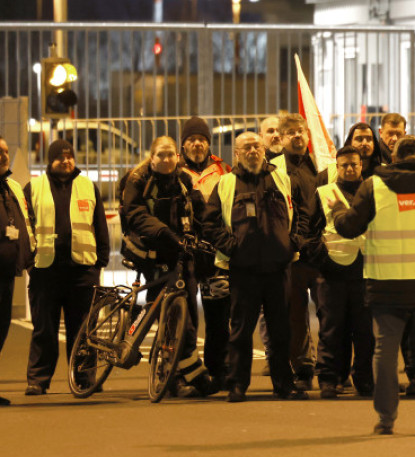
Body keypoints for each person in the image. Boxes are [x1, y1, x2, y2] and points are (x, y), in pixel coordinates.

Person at [335, 135, 415, 435]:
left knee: (385, 352)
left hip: (387, 285)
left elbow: (350, 227)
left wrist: (335, 211)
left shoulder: (373, 186)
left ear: (393, 157)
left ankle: (386, 420)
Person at [203, 132, 308, 402]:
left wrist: (293, 242)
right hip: (243, 269)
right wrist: (231, 247)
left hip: (278, 267)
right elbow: (210, 222)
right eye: (246, 147)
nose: (253, 151)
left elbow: (302, 213)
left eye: (256, 146)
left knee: (280, 331)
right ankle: (238, 385)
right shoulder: (225, 184)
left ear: (263, 150)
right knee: (240, 332)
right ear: (236, 154)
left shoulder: (282, 178)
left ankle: (283, 385)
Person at [121, 136, 216, 397]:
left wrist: (205, 238)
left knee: (186, 313)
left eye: (170, 155)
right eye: (161, 155)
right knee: (168, 313)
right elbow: (135, 214)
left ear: (178, 157)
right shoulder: (138, 180)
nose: (166, 159)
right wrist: (164, 233)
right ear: (152, 158)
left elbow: (199, 213)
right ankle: (181, 373)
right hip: (149, 251)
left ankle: (180, 370)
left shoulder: (184, 182)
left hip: (179, 254)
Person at [23, 139, 110, 395]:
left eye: (69, 156)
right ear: (50, 161)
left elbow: (100, 225)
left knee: (83, 330)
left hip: (82, 271)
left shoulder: (87, 186)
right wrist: (29, 262)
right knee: (44, 330)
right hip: (45, 271)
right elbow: (26, 227)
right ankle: (38, 380)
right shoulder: (34, 187)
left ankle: (85, 377)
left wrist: (100, 263)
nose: (66, 161)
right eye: (60, 157)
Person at [305, 146, 374, 398]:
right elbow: (310, 228)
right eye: (344, 165)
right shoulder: (324, 192)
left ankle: (365, 380)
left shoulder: (372, 191)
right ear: (337, 166)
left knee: (365, 331)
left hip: (365, 270)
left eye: (353, 164)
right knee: (332, 330)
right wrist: (320, 258)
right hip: (331, 272)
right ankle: (328, 379)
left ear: (361, 165)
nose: (349, 169)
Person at [179, 116, 231, 390]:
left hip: (214, 255)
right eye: (191, 140)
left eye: (201, 139)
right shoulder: (173, 169)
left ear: (208, 143)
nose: (197, 144)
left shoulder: (223, 169)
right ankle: (184, 374)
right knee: (184, 318)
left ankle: (218, 370)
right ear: (183, 144)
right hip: (184, 256)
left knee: (219, 317)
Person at [269, 113, 319, 391]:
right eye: (292, 133)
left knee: (330, 313)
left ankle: (331, 367)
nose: (298, 136)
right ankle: (303, 367)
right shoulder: (275, 167)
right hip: (293, 251)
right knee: (295, 314)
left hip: (323, 250)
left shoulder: (321, 163)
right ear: (282, 138)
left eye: (301, 131)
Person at [0, 136, 33, 405]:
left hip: (7, 272)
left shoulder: (12, 186)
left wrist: (29, 258)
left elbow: (24, 226)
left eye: (6, 151)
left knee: (1, 328)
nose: (3, 156)